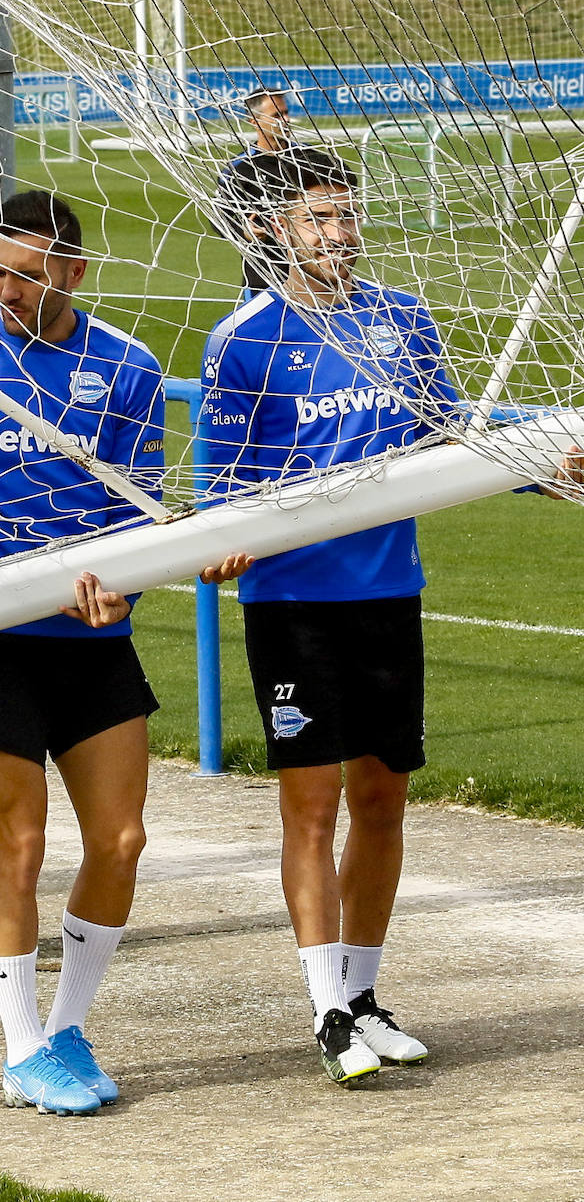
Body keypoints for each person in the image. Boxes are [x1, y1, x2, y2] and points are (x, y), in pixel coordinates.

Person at [0, 191, 242, 1116]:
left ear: (73, 271)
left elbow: (143, 503)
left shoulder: (127, 366)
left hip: (92, 639)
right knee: (23, 841)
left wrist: (124, 585)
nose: (7, 290)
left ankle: (68, 1026)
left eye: (26, 275)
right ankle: (20, 1047)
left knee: (121, 840)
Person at [198, 147, 462, 1087]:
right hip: (294, 604)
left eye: (346, 216)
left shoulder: (404, 317)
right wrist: (222, 541)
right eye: (319, 219)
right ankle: (324, 1011)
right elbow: (219, 489)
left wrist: (539, 465)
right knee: (309, 807)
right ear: (273, 230)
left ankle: (364, 995)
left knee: (383, 796)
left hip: (390, 591)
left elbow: (449, 433)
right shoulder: (243, 341)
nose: (340, 235)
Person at [215, 87, 298, 298]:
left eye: (286, 113)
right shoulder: (239, 169)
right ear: (255, 121)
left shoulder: (309, 159)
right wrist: (245, 232)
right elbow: (218, 219)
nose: (286, 120)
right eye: (277, 115)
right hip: (263, 277)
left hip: (314, 273)